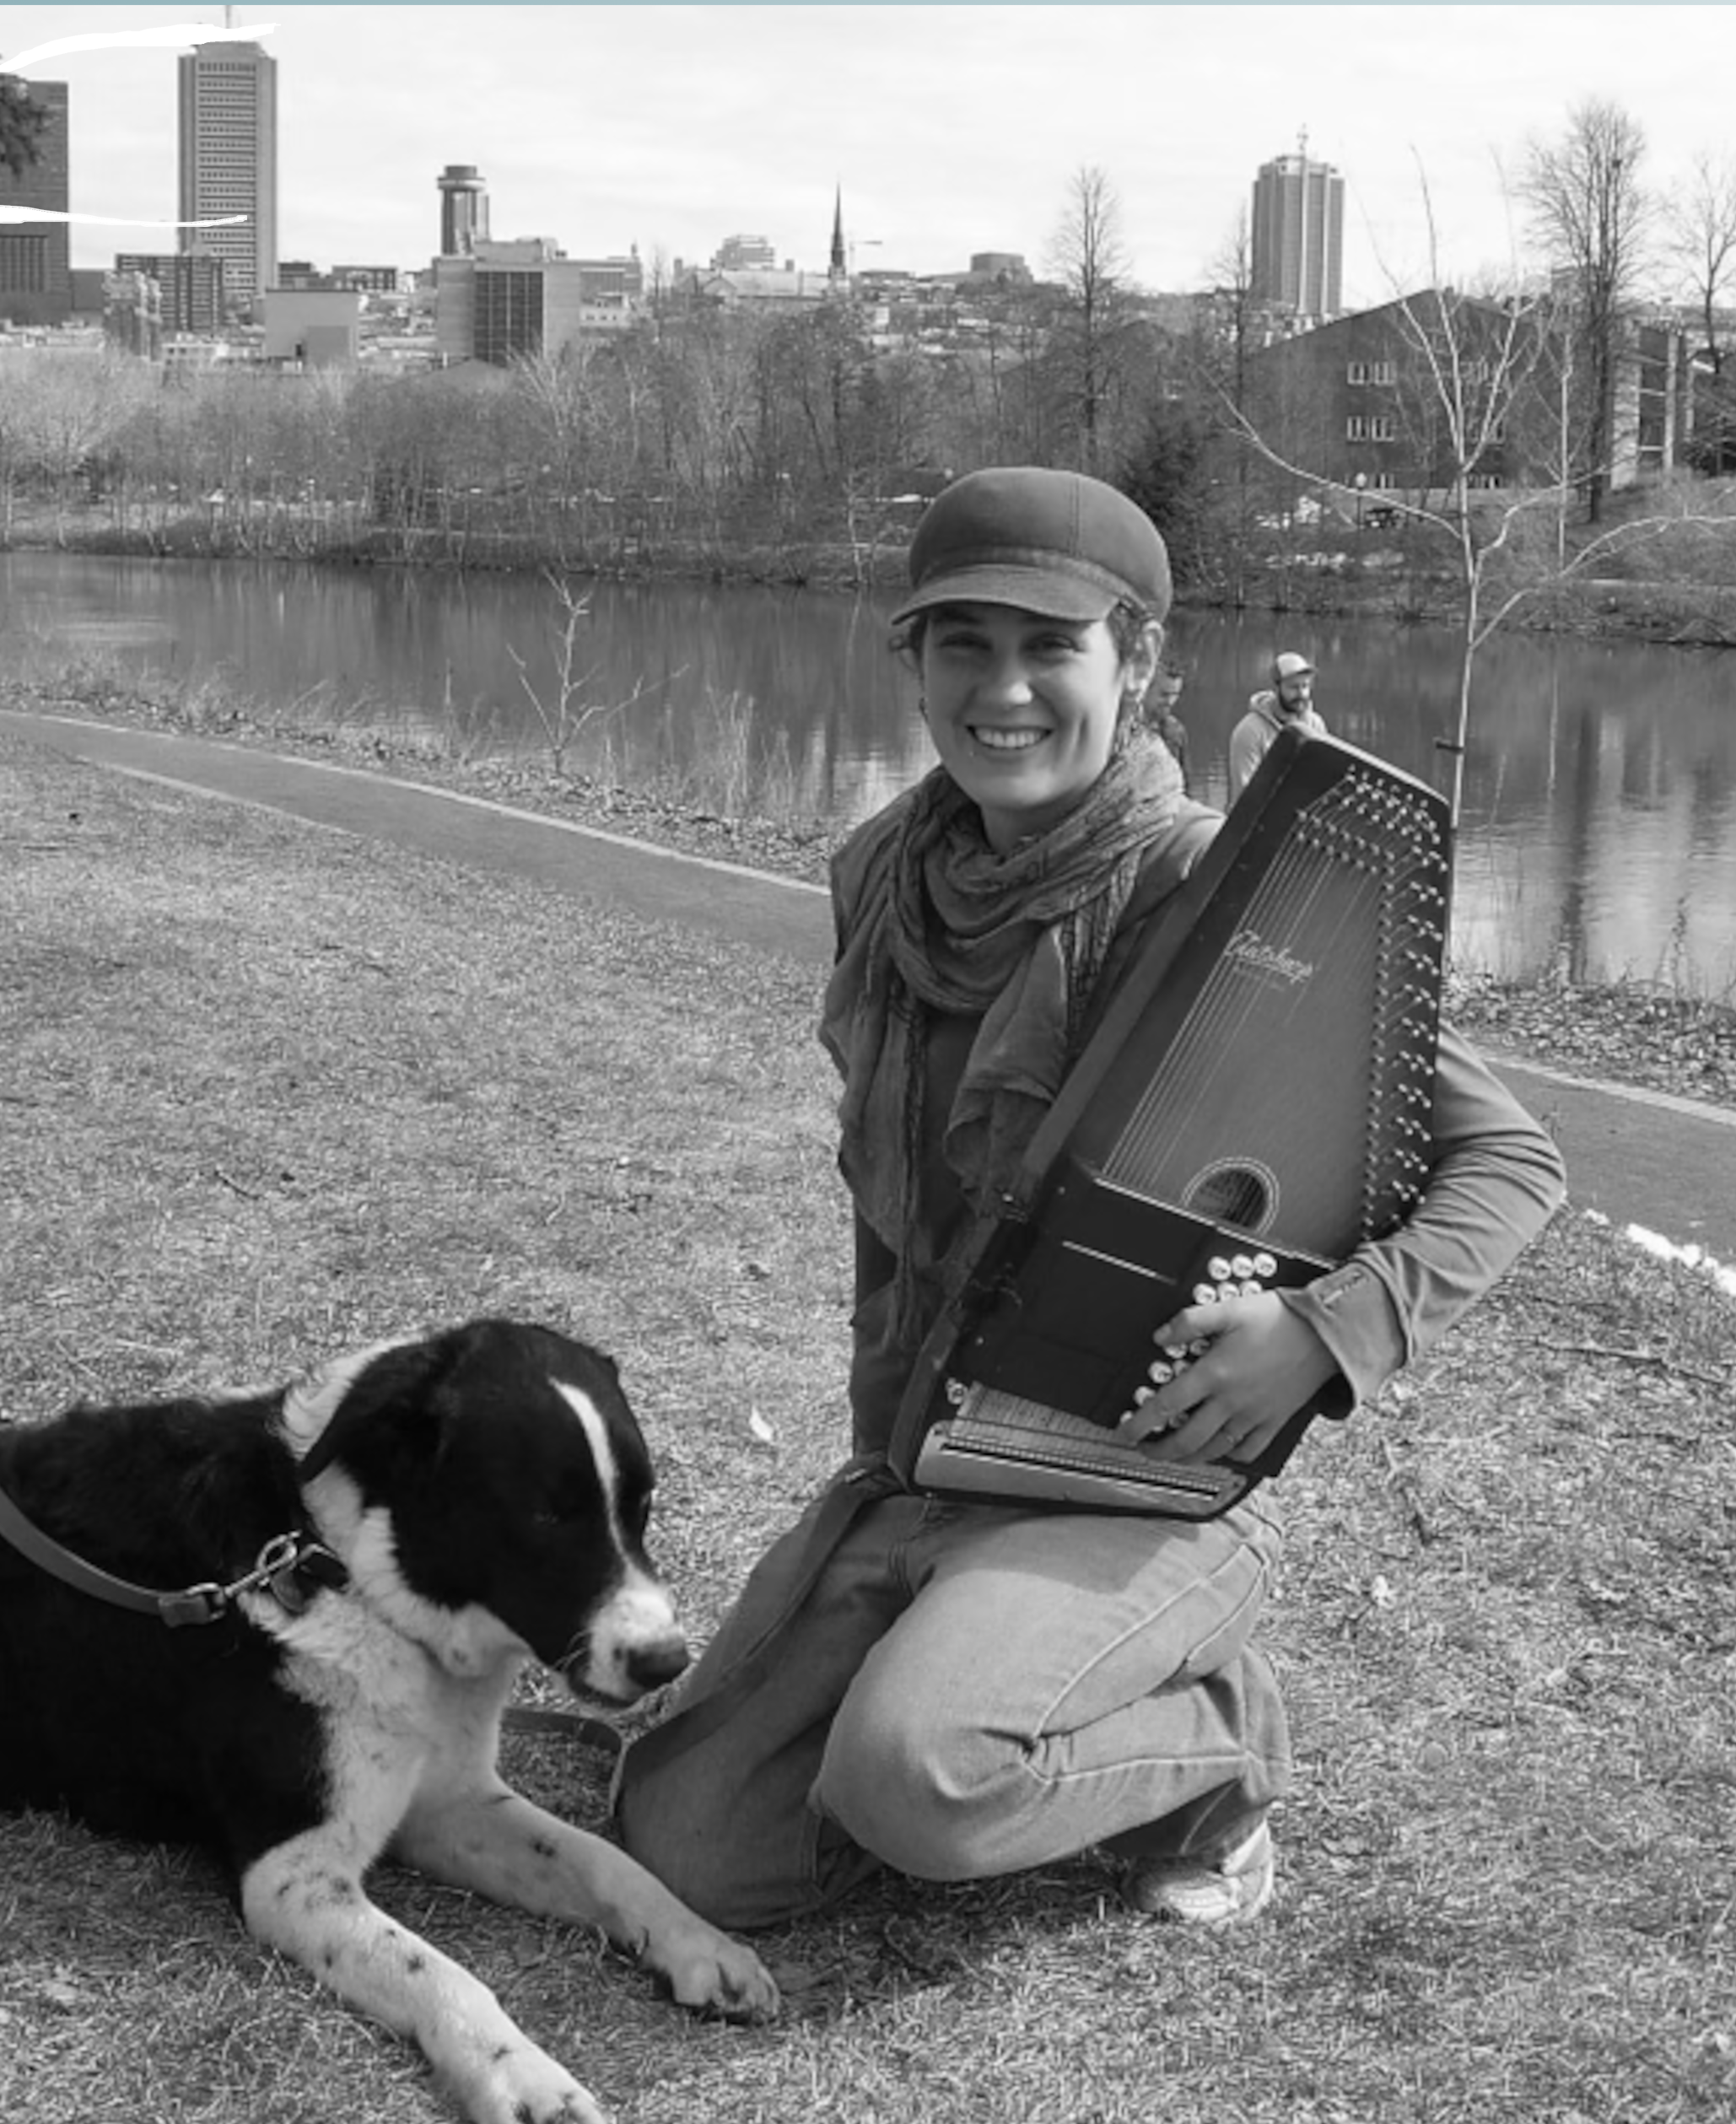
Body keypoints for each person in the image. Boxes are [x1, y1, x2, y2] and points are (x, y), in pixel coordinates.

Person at [613, 466, 1564, 1934]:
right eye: (963, 644)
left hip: (1141, 1488)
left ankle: (1220, 1753)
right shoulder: (889, 882)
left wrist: (1327, 1331)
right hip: (934, 1459)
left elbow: (1513, 1161)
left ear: (1142, 665)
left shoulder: (1225, 889)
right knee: (692, 1847)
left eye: (1052, 646)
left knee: (914, 1780)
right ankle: (976, 1676)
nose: (1004, 690)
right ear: (913, 665)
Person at [1228, 650, 1326, 797]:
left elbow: (1322, 777)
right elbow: (1245, 797)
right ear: (1276, 688)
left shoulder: (1315, 725)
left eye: (1305, 686)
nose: (1301, 694)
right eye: (1293, 687)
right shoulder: (1249, 731)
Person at [1144, 662, 1191, 788]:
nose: (1170, 702)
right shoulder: (1121, 730)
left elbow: (1186, 783)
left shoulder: (1176, 731)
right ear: (1145, 689)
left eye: (1175, 695)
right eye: (1164, 695)